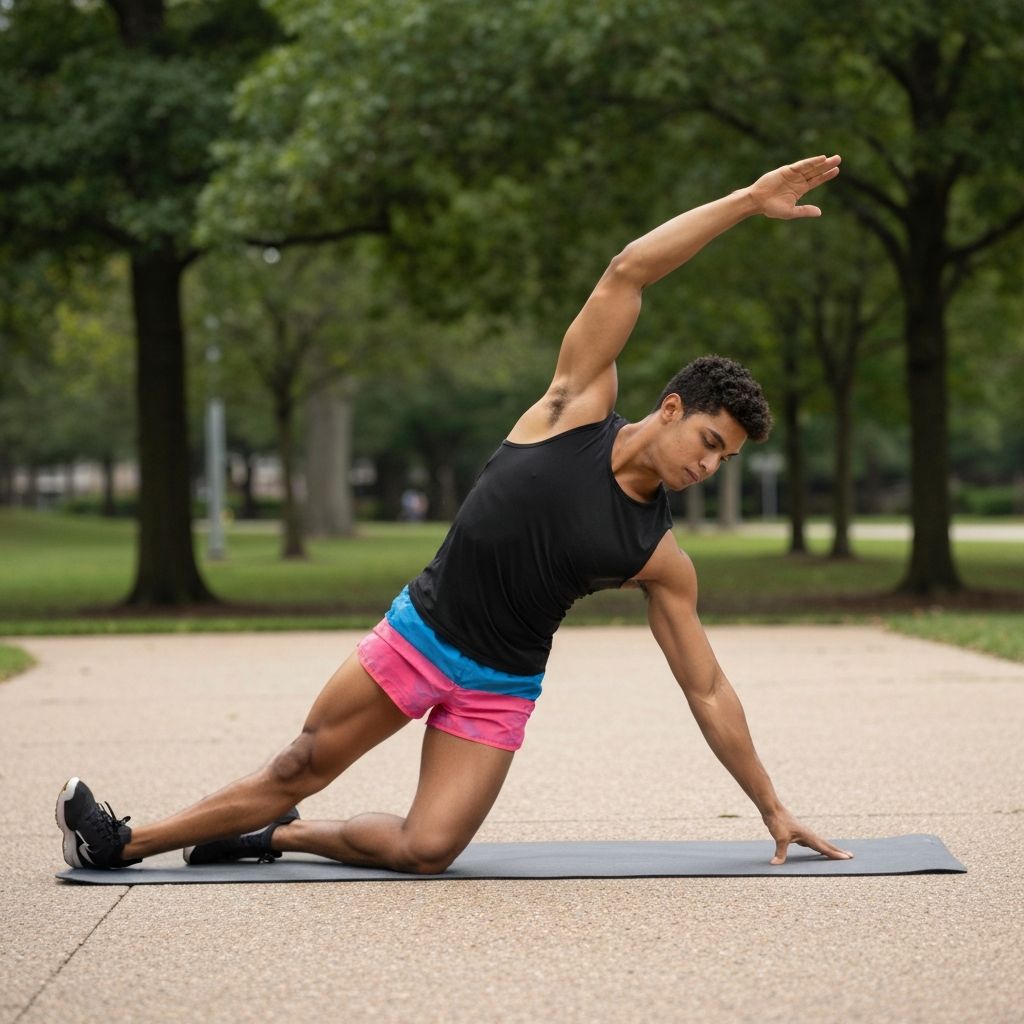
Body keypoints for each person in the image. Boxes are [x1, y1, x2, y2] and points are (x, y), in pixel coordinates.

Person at [57, 153, 852, 874]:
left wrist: (772, 807)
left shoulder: (656, 553)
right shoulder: (573, 407)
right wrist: (748, 201)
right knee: (299, 765)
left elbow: (706, 688)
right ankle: (119, 842)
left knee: (427, 850)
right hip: (422, 632)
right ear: (673, 407)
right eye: (709, 442)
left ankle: (273, 835)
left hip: (501, 683)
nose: (709, 466)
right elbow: (628, 273)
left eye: (726, 460)